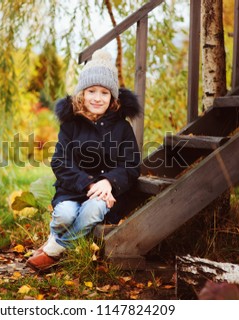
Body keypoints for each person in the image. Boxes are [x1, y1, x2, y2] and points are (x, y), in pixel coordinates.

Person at [26, 49, 141, 271]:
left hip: (105, 194)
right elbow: (60, 162)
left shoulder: (122, 128)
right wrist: (87, 183)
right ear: (82, 94)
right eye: (91, 91)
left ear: (113, 98)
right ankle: (57, 238)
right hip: (72, 188)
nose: (98, 98)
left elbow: (131, 164)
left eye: (105, 93)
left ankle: (54, 249)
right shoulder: (71, 125)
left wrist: (108, 182)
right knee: (64, 215)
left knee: (93, 211)